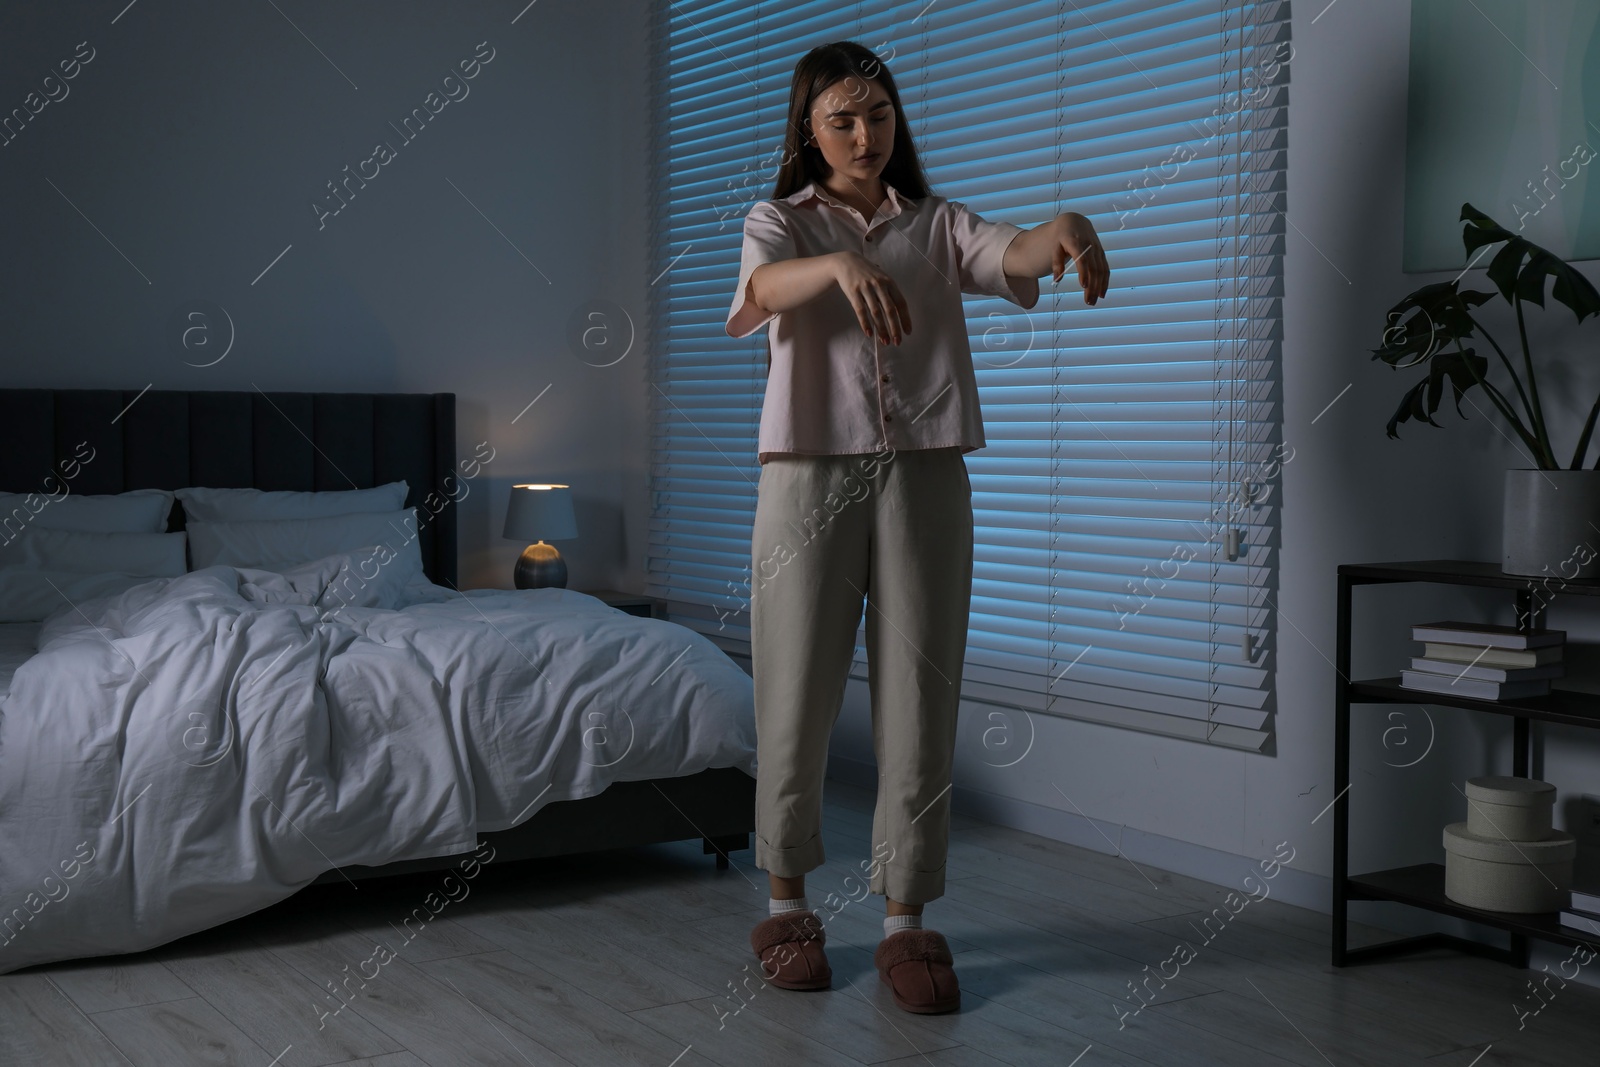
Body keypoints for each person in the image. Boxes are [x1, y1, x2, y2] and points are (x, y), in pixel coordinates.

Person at [725, 40, 1109, 1015]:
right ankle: (785, 900)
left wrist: (1059, 225)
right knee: (796, 692)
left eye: (879, 116)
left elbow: (1010, 251)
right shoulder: (779, 220)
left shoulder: (935, 224)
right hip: (807, 475)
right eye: (843, 120)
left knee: (920, 695)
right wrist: (839, 267)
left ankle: (905, 919)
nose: (864, 135)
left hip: (927, 474)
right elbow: (763, 289)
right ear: (808, 131)